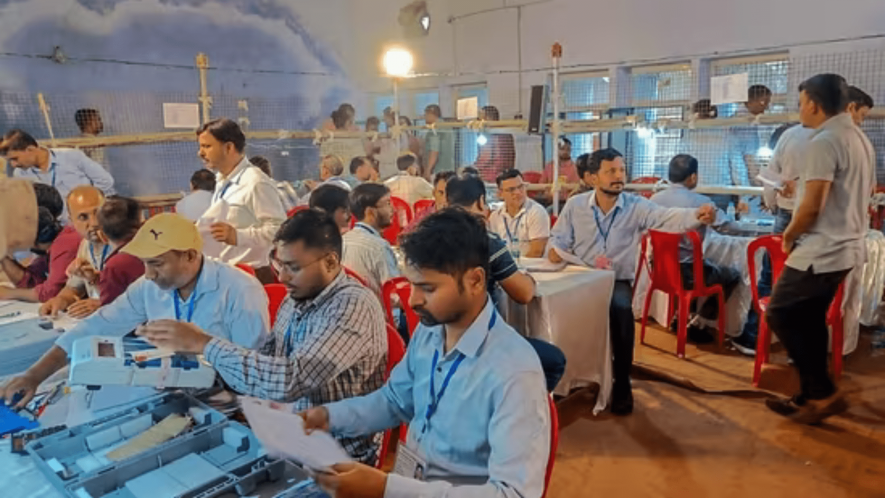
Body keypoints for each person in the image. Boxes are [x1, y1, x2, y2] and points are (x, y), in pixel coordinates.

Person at [301, 209, 550, 497]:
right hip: (412, 484)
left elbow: (514, 494)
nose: (413, 300)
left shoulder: (514, 372)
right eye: (411, 285)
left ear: (475, 281)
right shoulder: (431, 332)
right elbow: (394, 401)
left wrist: (386, 488)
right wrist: (327, 416)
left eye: (427, 288)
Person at [135, 210, 386, 464]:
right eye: (279, 264)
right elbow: (263, 361)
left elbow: (289, 381)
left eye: (293, 267)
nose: (282, 277)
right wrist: (186, 374)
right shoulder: (297, 298)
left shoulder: (351, 306)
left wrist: (205, 343)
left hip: (338, 457)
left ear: (331, 262)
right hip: (290, 435)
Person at [0, 213, 270, 410]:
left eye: (156, 264)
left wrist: (204, 354)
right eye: (144, 264)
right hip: (167, 390)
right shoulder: (147, 287)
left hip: (223, 403)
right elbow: (95, 327)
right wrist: (34, 375)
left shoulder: (240, 291)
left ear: (190, 255)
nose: (149, 274)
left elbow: (254, 371)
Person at [549, 148, 717, 415]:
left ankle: (622, 381)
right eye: (611, 171)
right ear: (592, 178)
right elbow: (558, 238)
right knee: (555, 310)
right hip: (580, 277)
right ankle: (565, 377)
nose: (619, 177)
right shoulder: (575, 206)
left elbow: (667, 218)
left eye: (622, 170)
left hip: (615, 279)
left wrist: (697, 215)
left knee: (621, 310)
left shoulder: (636, 206)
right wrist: (553, 249)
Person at [765, 74, 874, 425]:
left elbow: (812, 207)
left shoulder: (823, 141)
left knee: (779, 313)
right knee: (808, 319)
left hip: (821, 249)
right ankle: (812, 392)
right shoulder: (859, 138)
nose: (800, 110)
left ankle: (822, 391)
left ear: (812, 103)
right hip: (847, 247)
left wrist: (790, 233)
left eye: (800, 103)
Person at [735, 123, 815, 355]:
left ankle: (751, 338)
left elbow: (770, 182)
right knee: (808, 280)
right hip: (817, 217)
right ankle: (799, 349)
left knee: (770, 277)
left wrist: (772, 204)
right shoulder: (833, 136)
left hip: (786, 215)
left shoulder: (789, 137)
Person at [650, 155, 742, 342]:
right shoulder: (702, 202)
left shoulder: (654, 199)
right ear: (692, 177)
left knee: (702, 265)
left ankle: (682, 316)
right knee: (731, 275)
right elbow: (728, 227)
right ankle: (700, 321)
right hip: (688, 275)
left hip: (659, 271)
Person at [195, 118, 286, 283]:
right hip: (225, 275)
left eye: (207, 146)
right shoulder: (221, 180)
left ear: (229, 147)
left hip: (251, 278)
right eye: (200, 147)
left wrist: (238, 236)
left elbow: (280, 231)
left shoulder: (255, 182)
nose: (200, 153)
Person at [0, 184, 80, 303]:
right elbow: (31, 283)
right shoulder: (49, 249)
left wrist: (8, 293)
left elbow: (50, 293)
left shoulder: (64, 244)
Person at [39, 186, 109, 318]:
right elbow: (74, 288)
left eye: (98, 213)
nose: (94, 223)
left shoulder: (123, 242)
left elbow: (138, 297)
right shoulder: (85, 244)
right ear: (72, 222)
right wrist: (60, 300)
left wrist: (103, 303)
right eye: (83, 217)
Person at [1, 129, 115, 204]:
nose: (13, 165)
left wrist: (91, 204)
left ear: (30, 149)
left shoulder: (71, 156)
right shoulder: (20, 174)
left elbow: (105, 180)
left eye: (15, 159)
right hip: (57, 231)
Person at [342, 183, 400, 297]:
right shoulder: (379, 246)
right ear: (370, 212)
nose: (393, 208)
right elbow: (395, 295)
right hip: (381, 312)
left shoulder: (343, 241)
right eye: (387, 203)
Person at [92, 196, 146, 305]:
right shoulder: (158, 249)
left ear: (102, 235)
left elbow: (111, 312)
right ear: (143, 226)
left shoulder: (114, 266)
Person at [489, 169, 550, 258]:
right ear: (500, 193)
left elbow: (537, 252)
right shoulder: (495, 216)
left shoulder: (537, 212)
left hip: (531, 267)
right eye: (511, 189)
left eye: (521, 187)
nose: (518, 192)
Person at [728, 85, 772, 189]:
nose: (767, 106)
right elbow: (742, 160)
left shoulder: (757, 118)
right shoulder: (739, 121)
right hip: (743, 170)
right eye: (765, 102)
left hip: (755, 163)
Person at [474, 106, 516, 183]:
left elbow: (485, 158)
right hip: (507, 176)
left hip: (489, 178)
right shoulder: (507, 134)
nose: (478, 121)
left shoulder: (490, 135)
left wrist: (473, 169)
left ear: (488, 118)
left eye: (480, 118)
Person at [539, 137, 580, 202]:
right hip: (550, 201)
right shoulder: (549, 166)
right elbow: (541, 185)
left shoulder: (575, 168)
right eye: (562, 149)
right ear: (556, 150)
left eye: (568, 149)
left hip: (569, 202)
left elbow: (578, 189)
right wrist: (547, 193)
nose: (565, 152)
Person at [422, 105, 455, 179]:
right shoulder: (448, 128)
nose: (424, 117)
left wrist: (428, 170)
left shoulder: (434, 129)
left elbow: (434, 151)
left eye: (425, 115)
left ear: (431, 114)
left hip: (437, 172)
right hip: (449, 170)